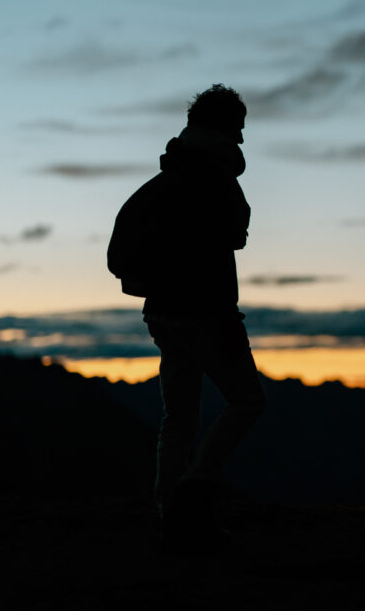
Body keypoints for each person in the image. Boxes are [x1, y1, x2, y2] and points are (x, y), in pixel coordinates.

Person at [108, 84, 266, 553]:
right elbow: (237, 233)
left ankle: (170, 514)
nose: (240, 141)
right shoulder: (212, 176)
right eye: (237, 130)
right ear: (221, 128)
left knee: (179, 415)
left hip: (162, 313)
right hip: (207, 311)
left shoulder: (163, 181)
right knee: (248, 401)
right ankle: (196, 490)